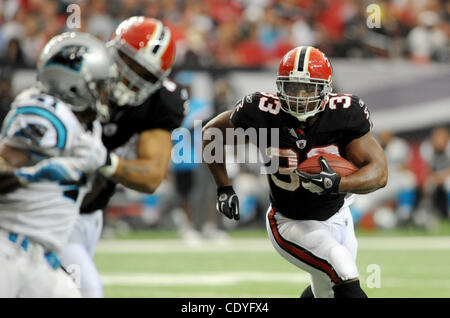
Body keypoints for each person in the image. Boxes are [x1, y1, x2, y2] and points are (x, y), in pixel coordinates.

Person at [202, 46, 388, 298]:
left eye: (308, 88)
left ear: (325, 89)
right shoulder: (261, 109)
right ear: (280, 87)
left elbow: (379, 173)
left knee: (326, 292)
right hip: (290, 221)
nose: (299, 96)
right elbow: (211, 132)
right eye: (291, 87)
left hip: (338, 214)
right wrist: (223, 187)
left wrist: (337, 183)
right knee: (341, 266)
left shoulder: (344, 113)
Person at [60, 17, 188, 298]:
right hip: (45, 204)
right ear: (110, 50)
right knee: (81, 290)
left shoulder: (160, 103)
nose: (129, 75)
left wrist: (105, 162)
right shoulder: (74, 70)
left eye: (143, 73)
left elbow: (152, 175)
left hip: (88, 212)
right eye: (127, 62)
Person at [0, 31, 115, 297]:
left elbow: (78, 198)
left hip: (44, 260)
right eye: (98, 85)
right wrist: (36, 174)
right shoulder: (46, 114)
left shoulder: (89, 129)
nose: (105, 94)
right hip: (8, 247)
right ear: (73, 85)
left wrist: (101, 173)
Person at [350, 130, 417, 228]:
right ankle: (350, 222)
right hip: (376, 183)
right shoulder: (371, 144)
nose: (384, 133)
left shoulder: (399, 145)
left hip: (393, 181)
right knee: (361, 201)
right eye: (382, 131)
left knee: (408, 178)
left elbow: (406, 167)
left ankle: (405, 215)